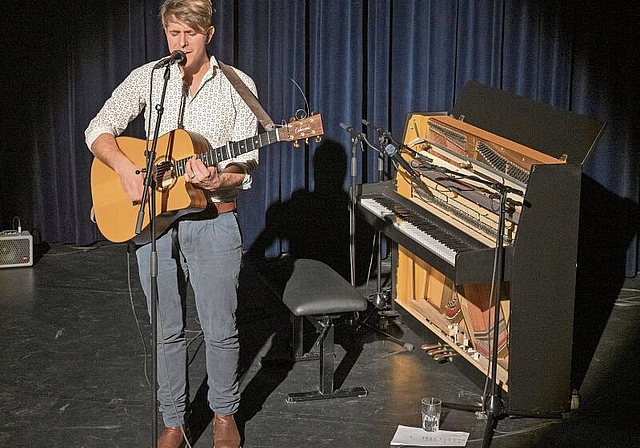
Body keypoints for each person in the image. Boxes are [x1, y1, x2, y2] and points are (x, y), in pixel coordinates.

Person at [85, 1, 258, 447]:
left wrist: (218, 176)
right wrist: (124, 168)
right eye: (173, 33)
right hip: (153, 224)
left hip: (213, 220)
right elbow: (98, 128)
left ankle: (223, 416)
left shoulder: (237, 86)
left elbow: (247, 165)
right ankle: (173, 421)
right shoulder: (150, 77)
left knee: (220, 327)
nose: (181, 43)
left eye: (191, 34)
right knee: (166, 329)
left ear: (210, 33)